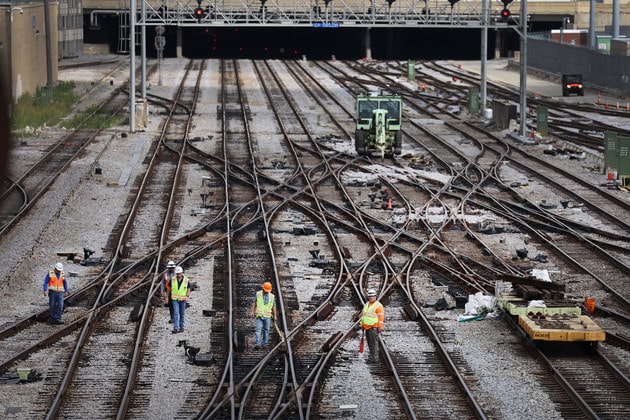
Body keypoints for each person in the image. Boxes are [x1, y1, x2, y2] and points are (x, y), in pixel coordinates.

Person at [360, 289, 384, 364]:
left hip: (373, 327)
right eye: (369, 296)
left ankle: (375, 359)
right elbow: (364, 315)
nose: (370, 297)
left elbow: (381, 317)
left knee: (374, 343)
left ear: (375, 296)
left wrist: (380, 327)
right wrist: (362, 324)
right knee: (370, 343)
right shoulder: (367, 304)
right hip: (367, 327)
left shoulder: (378, 306)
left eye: (372, 296)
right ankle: (372, 357)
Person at [250, 281, 277, 349]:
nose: (266, 292)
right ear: (263, 288)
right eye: (266, 290)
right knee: (258, 329)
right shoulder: (258, 294)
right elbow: (254, 303)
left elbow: (274, 306)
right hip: (259, 315)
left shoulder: (272, 296)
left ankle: (264, 344)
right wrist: (252, 312)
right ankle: (258, 344)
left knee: (266, 330)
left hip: (267, 316)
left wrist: (275, 315)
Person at [170, 266, 190, 333]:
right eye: (177, 273)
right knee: (176, 313)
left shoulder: (186, 280)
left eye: (179, 273)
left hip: (183, 300)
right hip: (175, 299)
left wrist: (187, 296)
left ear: (182, 273)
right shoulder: (172, 280)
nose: (178, 275)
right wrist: (167, 297)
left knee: (182, 314)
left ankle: (181, 327)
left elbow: (188, 289)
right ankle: (175, 328)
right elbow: (168, 289)